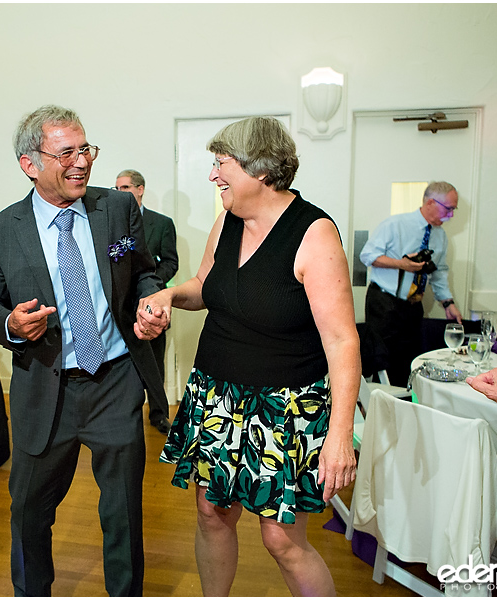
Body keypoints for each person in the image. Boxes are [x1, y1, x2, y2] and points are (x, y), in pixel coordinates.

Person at [138, 117, 358, 596]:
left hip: (285, 409)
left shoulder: (313, 234)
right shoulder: (227, 220)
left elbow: (342, 342)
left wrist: (340, 436)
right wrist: (169, 296)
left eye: (221, 164)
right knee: (211, 512)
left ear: (259, 170)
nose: (214, 175)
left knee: (281, 538)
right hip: (215, 396)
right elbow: (206, 288)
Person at [0, 105, 168, 596]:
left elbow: (140, 267)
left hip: (115, 383)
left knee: (123, 512)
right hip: (45, 387)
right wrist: (12, 325)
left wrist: (149, 298)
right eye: (66, 153)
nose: (81, 162)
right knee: (28, 512)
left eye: (86, 149)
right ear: (30, 164)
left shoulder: (117, 210)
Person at [360, 181, 464, 386]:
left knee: (409, 360)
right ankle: (378, 406)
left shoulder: (440, 236)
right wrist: (402, 264)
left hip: (413, 306)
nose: (451, 215)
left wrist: (448, 303)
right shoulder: (395, 225)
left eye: (454, 209)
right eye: (449, 209)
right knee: (380, 360)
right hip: (384, 302)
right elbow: (367, 256)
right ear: (430, 203)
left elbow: (439, 272)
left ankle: (404, 406)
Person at [115, 169, 179, 434]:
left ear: (140, 189)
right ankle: (122, 411)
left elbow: (171, 262)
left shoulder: (161, 223)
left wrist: (151, 284)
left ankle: (158, 413)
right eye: (117, 188)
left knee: (154, 361)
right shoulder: (112, 223)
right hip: (119, 307)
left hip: (151, 305)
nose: (120, 193)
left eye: (126, 187)